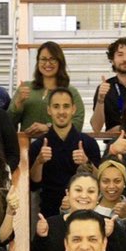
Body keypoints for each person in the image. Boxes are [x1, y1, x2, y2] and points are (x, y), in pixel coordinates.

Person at [33, 170, 126, 251]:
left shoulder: (109, 225)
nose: (84, 196)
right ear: (68, 193)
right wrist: (41, 237)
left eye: (91, 191)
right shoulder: (50, 225)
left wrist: (110, 237)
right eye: (78, 190)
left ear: (98, 196)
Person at [30, 88, 102, 217]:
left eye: (66, 106)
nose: (61, 112)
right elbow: (34, 185)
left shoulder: (88, 143)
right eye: (56, 107)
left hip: (85, 211)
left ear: (73, 109)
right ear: (49, 110)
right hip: (49, 213)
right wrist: (39, 161)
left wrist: (87, 162)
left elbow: (100, 180)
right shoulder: (39, 145)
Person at [8, 41, 85, 136]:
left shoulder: (70, 91)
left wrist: (48, 127)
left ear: (60, 62)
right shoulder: (25, 87)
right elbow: (9, 123)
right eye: (43, 59)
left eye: (52, 59)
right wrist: (18, 103)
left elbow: (78, 123)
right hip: (28, 147)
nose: (47, 63)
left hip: (59, 146)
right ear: (38, 62)